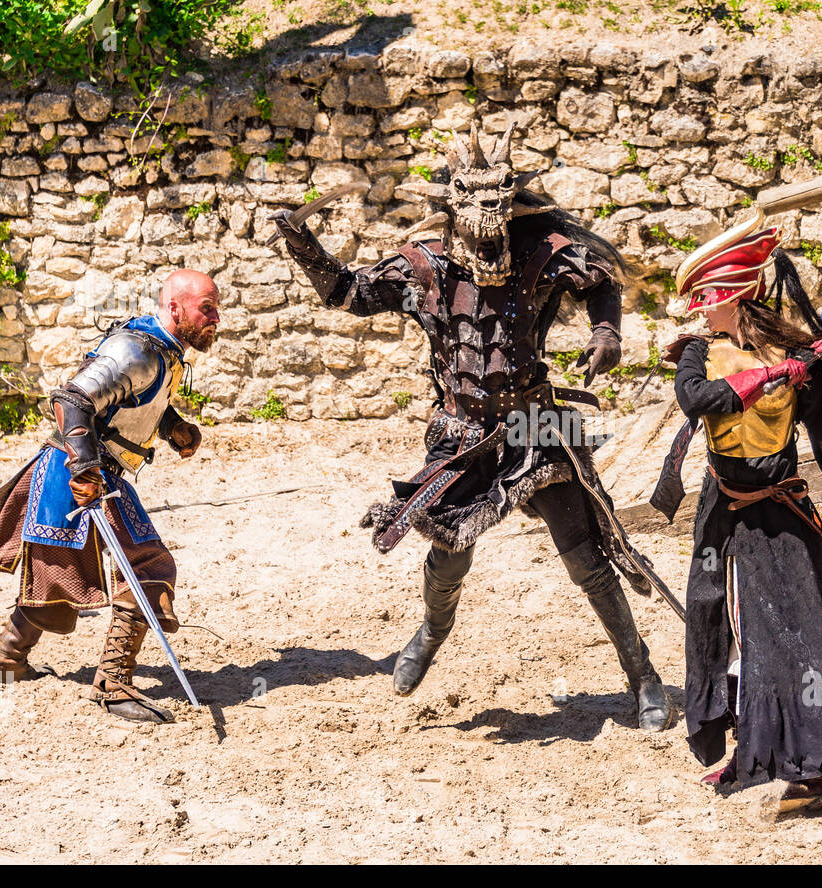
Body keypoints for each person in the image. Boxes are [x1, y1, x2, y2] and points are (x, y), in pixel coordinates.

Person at [270, 122, 671, 730]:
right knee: (449, 555)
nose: (487, 232)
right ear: (452, 209)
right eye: (473, 210)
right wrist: (305, 246)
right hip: (461, 437)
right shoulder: (424, 270)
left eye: (498, 207)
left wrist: (606, 331)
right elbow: (349, 294)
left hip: (534, 429)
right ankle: (432, 631)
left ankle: (642, 675)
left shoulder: (541, 254)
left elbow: (600, 281)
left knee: (585, 559)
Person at [659, 212, 822, 807]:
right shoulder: (696, 352)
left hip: (783, 509)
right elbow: (700, 400)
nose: (701, 315)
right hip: (726, 513)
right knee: (727, 629)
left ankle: (806, 764)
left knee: (798, 630)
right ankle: (757, 749)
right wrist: (776, 374)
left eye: (708, 303)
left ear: (733, 298)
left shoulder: (793, 350)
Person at [0, 270, 220, 724]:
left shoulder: (164, 355)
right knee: (150, 568)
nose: (215, 317)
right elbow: (73, 399)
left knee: (56, 581)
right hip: (79, 474)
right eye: (206, 308)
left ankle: (7, 662)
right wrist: (86, 469)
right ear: (176, 308)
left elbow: (131, 400)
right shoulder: (135, 349)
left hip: (89, 472)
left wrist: (172, 427)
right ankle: (113, 685)